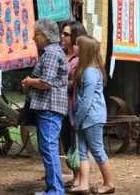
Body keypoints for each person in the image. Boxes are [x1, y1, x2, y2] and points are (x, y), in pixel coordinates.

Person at [21, 18, 68, 195]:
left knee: (49, 148)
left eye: (36, 35)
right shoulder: (53, 52)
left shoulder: (52, 53)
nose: (34, 38)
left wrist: (29, 81)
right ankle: (53, 188)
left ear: (46, 35)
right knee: (48, 148)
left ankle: (56, 190)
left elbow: (46, 82)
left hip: (49, 107)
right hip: (48, 107)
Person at [68, 35, 115, 195]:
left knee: (97, 150)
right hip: (84, 118)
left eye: (77, 45)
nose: (73, 47)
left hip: (92, 118)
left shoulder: (90, 73)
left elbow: (86, 102)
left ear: (85, 50)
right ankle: (83, 185)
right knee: (82, 150)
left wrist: (77, 120)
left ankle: (109, 184)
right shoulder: (85, 70)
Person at [59, 21, 87, 189]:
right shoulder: (60, 54)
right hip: (59, 105)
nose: (63, 37)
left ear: (75, 37)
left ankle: (78, 179)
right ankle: (74, 176)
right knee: (66, 140)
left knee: (76, 142)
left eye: (66, 34)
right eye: (63, 34)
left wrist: (60, 84)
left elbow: (78, 82)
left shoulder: (81, 58)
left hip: (73, 105)